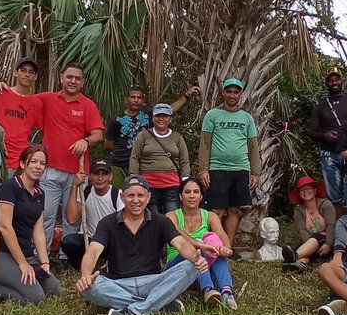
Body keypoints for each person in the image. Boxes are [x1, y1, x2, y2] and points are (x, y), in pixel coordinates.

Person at [76, 175, 208, 315]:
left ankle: (133, 311)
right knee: (91, 286)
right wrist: (85, 276)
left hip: (153, 281)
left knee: (192, 267)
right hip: (118, 283)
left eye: (140, 195)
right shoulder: (107, 223)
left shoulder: (161, 221)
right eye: (130, 195)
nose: (136, 200)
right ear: (122, 196)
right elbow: (93, 250)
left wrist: (196, 258)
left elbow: (180, 244)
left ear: (148, 197)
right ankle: (159, 304)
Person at [25, 63, 106, 249]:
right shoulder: (47, 98)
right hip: (50, 170)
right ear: (61, 78)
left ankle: (66, 257)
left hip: (77, 174)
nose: (73, 81)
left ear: (82, 83)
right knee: (45, 216)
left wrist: (85, 141)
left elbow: (98, 135)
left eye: (78, 78)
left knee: (72, 219)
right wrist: (2, 89)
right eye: (69, 77)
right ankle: (41, 257)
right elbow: (21, 100)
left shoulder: (88, 105)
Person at [0, 145, 61, 304]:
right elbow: (4, 226)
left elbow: (38, 231)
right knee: (36, 297)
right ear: (23, 164)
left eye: (42, 163)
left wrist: (44, 262)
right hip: (3, 253)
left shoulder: (40, 193)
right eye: (33, 162)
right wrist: (22, 263)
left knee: (55, 290)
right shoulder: (10, 186)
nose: (38, 167)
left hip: (27, 253)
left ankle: (22, 276)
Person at [198, 78, 260, 249]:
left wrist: (255, 172)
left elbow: (253, 146)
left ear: (240, 94)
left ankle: (228, 248)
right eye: (229, 91)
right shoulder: (212, 115)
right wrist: (203, 170)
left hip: (241, 170)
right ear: (223, 93)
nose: (232, 95)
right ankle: (215, 247)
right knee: (216, 211)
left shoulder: (246, 118)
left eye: (236, 92)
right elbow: (204, 144)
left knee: (234, 210)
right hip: (217, 169)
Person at [165, 177, 238, 309]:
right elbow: (177, 231)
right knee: (199, 246)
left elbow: (221, 234)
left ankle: (226, 292)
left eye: (196, 192)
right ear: (181, 197)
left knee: (217, 251)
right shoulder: (171, 216)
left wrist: (226, 248)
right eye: (187, 192)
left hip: (203, 264)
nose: (192, 196)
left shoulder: (210, 216)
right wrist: (200, 245)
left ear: (201, 196)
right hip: (176, 264)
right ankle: (208, 289)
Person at [105, 85, 199, 185]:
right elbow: (108, 145)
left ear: (143, 101)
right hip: (119, 164)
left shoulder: (149, 116)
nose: (136, 100)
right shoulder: (116, 120)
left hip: (142, 166)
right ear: (127, 99)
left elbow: (170, 109)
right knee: (117, 195)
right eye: (133, 97)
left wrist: (187, 95)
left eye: (139, 97)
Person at [308, 69, 347, 215]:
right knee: (334, 196)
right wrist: (325, 135)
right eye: (330, 80)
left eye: (337, 79)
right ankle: (339, 228)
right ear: (326, 83)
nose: (334, 82)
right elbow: (311, 132)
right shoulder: (320, 107)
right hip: (329, 154)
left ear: (342, 81)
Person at [0, 56, 40, 195]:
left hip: (22, 160)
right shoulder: (1, 93)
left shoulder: (37, 103)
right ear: (15, 73)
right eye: (23, 70)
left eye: (31, 72)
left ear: (35, 76)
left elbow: (46, 128)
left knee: (18, 203)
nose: (27, 74)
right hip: (0, 157)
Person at [129, 103, 190, 217]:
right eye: (158, 116)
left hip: (172, 184)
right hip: (149, 184)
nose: (161, 119)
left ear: (170, 119)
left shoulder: (177, 137)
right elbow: (135, 158)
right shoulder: (144, 136)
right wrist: (134, 179)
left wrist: (185, 180)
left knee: (172, 217)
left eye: (165, 116)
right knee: (152, 217)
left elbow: (184, 160)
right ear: (153, 118)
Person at [60, 161, 123, 266]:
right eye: (96, 174)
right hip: (89, 239)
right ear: (89, 176)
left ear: (110, 177)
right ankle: (78, 266)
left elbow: (124, 225)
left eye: (104, 174)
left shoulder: (117, 195)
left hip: (110, 241)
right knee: (68, 242)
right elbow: (71, 219)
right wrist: (74, 187)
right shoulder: (85, 192)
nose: (100, 178)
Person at [281, 175, 336, 273]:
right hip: (309, 245)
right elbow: (302, 230)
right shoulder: (299, 211)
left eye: (308, 188)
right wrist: (310, 246)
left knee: (317, 237)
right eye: (302, 190)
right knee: (302, 250)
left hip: (326, 242)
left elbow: (331, 225)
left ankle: (295, 256)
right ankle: (298, 265)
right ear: (299, 194)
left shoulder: (326, 205)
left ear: (315, 191)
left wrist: (329, 243)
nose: (306, 191)